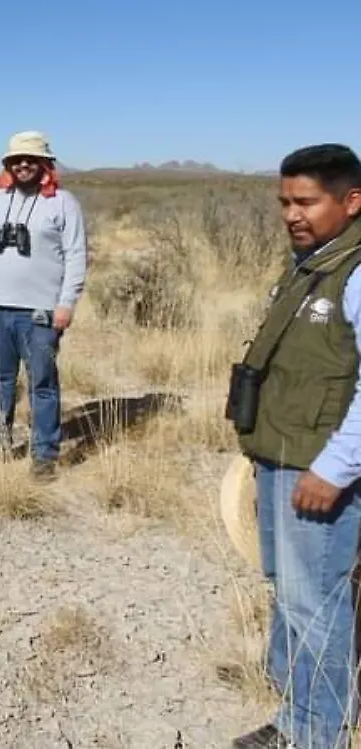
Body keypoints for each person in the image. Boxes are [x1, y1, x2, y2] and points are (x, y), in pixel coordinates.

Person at [228, 143, 361, 749]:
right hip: (282, 456)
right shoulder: (312, 262)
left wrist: (334, 468)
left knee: (316, 605)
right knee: (289, 587)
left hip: (320, 468)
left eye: (305, 200)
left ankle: (314, 735)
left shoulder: (355, 271)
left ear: (351, 201)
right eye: (284, 200)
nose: (291, 213)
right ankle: (297, 708)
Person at [0, 131, 87, 479]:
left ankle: (44, 455)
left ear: (44, 164)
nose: (23, 164)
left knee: (43, 383)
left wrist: (66, 303)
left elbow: (77, 256)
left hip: (40, 314)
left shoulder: (64, 203)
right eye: (16, 159)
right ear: (7, 164)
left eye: (30, 159)